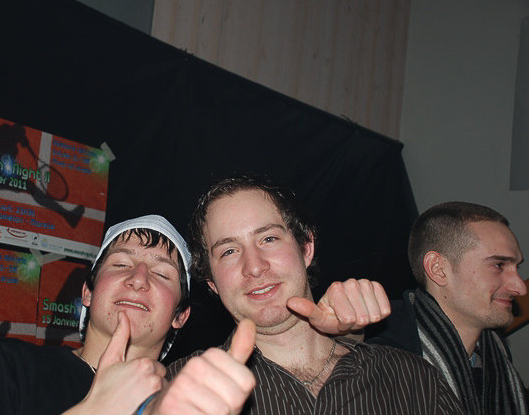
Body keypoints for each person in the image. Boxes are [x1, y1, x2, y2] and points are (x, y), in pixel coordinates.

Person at [156, 175, 466, 415]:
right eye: (229, 251)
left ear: (306, 248)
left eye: (268, 239)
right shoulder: (175, 390)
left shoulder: (412, 379)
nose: (254, 266)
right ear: (211, 282)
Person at [0, 215, 244, 414]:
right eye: (121, 264)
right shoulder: (10, 368)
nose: (138, 279)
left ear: (181, 315)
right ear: (88, 293)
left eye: (162, 274)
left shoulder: (189, 404)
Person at [367, 201, 528, 414]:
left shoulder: (494, 355)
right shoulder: (381, 366)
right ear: (438, 269)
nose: (520, 288)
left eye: (517, 267)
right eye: (498, 265)